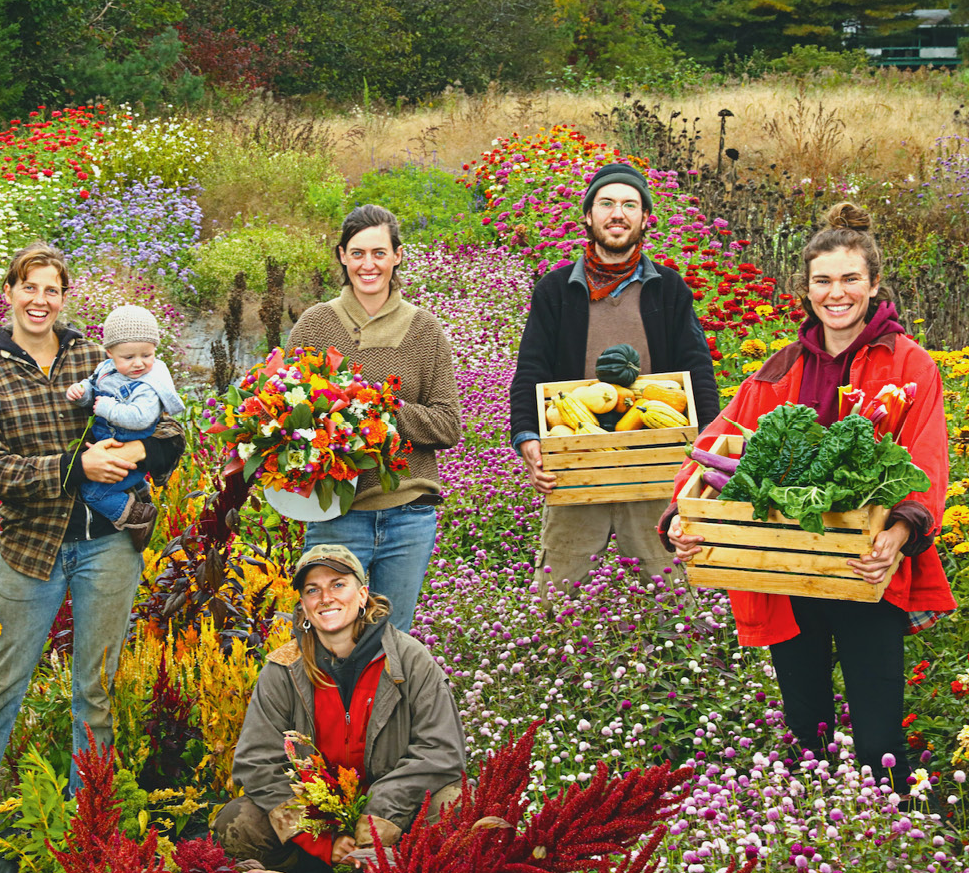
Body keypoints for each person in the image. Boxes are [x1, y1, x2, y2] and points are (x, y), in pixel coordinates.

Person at [665, 202, 955, 796]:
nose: (836, 293)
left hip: (864, 562)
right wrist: (682, 515)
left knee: (878, 735)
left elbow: (925, 459)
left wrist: (900, 530)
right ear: (805, 289)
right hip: (785, 566)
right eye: (823, 281)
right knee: (807, 727)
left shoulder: (910, 364)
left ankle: (889, 821)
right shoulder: (783, 367)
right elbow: (716, 444)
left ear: (874, 283)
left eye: (850, 279)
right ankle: (815, 826)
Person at [0, 243, 185, 872]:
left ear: (65, 297)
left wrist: (136, 454)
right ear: (9, 293)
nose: (40, 300)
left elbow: (171, 431)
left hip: (108, 544)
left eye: (52, 289)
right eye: (29, 287)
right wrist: (78, 465)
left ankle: (86, 818)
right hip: (30, 548)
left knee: (94, 688)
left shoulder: (97, 356)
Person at [508, 162, 720, 600]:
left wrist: (706, 450)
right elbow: (532, 367)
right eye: (606, 204)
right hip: (576, 457)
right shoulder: (555, 290)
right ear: (588, 216)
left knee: (671, 591)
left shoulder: (669, 289)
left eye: (629, 205)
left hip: (653, 456)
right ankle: (551, 642)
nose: (617, 214)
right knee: (557, 591)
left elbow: (697, 367)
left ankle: (681, 644)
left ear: (645, 218)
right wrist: (528, 436)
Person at [213, 544, 466, 872]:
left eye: (338, 584)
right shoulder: (283, 668)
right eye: (312, 590)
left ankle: (401, 863)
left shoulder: (409, 659)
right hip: (316, 820)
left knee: (457, 805)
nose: (325, 598)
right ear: (303, 606)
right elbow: (257, 761)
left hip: (395, 816)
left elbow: (442, 751)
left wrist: (378, 819)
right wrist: (320, 839)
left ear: (362, 596)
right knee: (238, 822)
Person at [287, 205, 461, 632]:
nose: (369, 264)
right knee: (328, 638)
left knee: (390, 639)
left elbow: (447, 425)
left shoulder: (424, 330)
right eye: (358, 253)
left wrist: (380, 410)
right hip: (336, 516)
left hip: (409, 514)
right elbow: (287, 417)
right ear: (342, 256)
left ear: (397, 256)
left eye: (379, 253)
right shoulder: (315, 325)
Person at [66, 304, 186, 544]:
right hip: (109, 446)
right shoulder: (106, 368)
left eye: (147, 355)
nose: (139, 364)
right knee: (101, 485)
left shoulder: (148, 384)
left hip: (127, 450)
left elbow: (141, 418)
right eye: (129, 357)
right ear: (110, 352)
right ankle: (140, 492)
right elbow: (94, 386)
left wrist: (106, 408)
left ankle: (137, 515)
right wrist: (82, 393)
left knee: (93, 493)